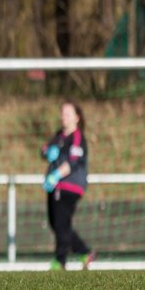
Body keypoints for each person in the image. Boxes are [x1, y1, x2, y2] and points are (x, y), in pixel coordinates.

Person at [41, 100, 95, 271]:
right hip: (55, 186)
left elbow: (73, 162)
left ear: (77, 118)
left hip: (70, 186)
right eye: (62, 113)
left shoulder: (77, 137)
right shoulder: (58, 136)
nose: (63, 117)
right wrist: (46, 152)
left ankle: (60, 261)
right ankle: (84, 252)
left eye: (67, 113)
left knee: (62, 224)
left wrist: (56, 175)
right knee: (56, 223)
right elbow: (44, 150)